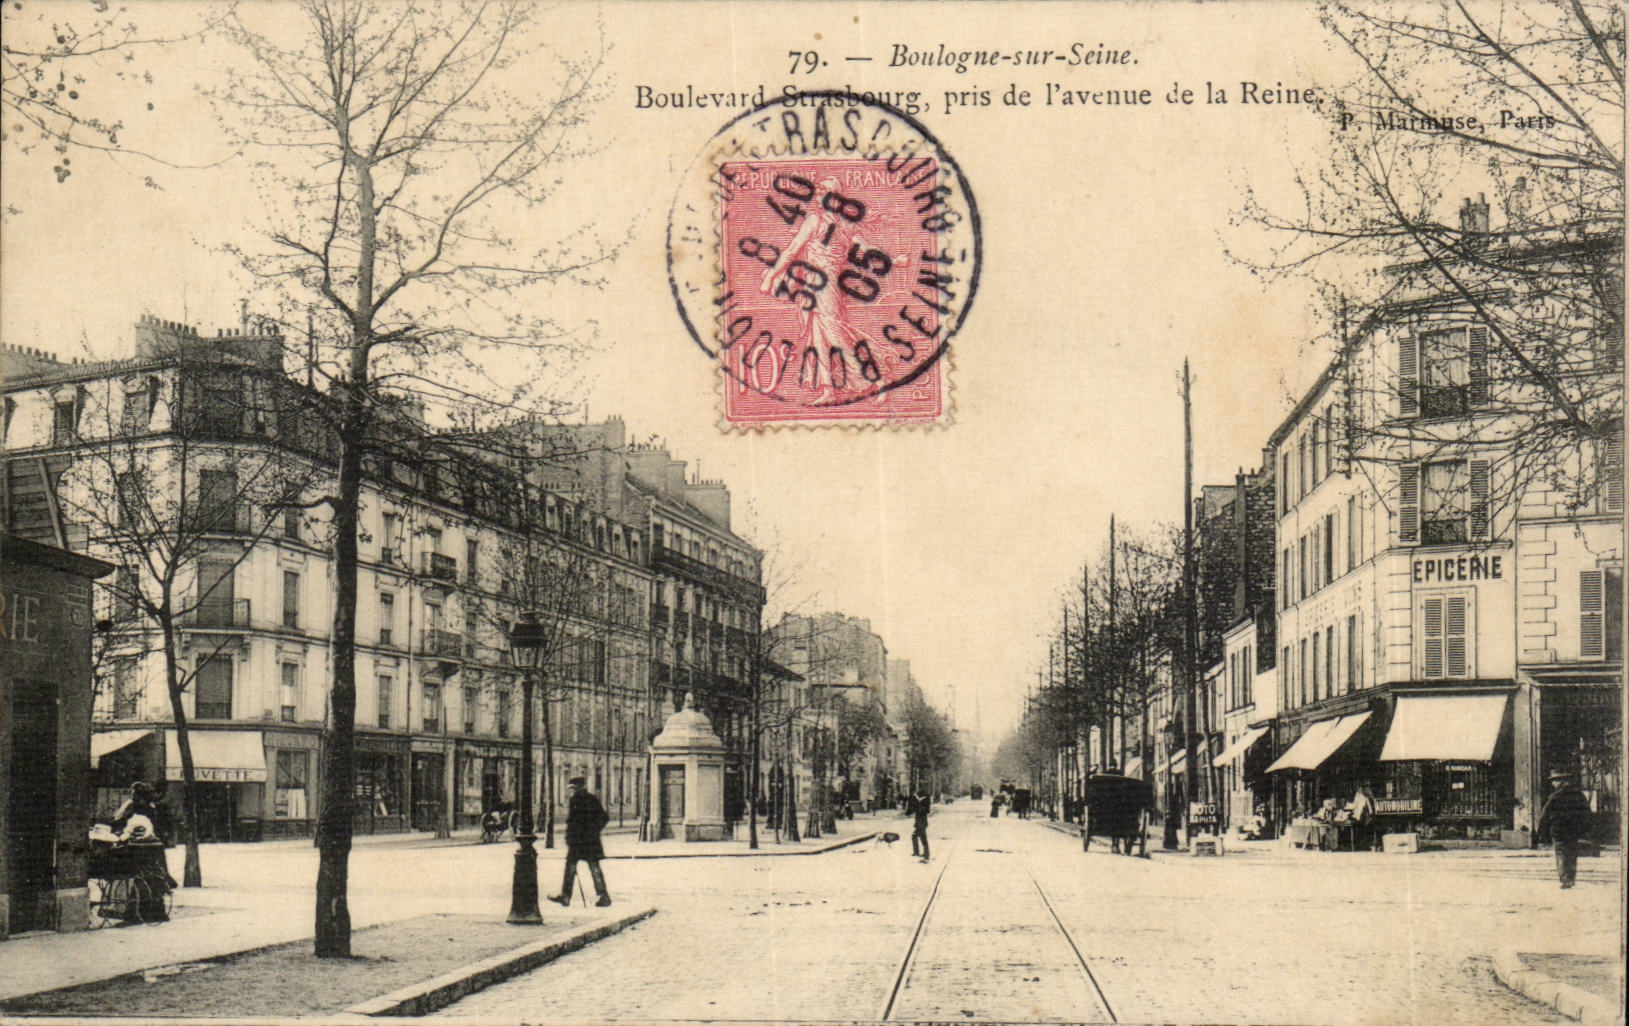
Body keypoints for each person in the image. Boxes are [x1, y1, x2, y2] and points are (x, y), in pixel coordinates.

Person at [551, 776, 611, 907]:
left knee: (591, 867)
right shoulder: (581, 799)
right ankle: (566, 896)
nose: (571, 790)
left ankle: (602, 896)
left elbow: (604, 817)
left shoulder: (588, 799)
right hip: (581, 841)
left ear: (580, 787)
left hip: (585, 841)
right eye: (570, 788)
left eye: (573, 788)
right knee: (574, 867)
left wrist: (592, 831)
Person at [1537, 769, 1593, 889]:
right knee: (1572, 853)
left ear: (1561, 781)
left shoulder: (1554, 796)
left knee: (1561, 853)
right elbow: (1587, 812)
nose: (1553, 784)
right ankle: (1571, 878)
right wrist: (1584, 828)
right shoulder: (1578, 794)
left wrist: (1541, 832)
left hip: (1559, 831)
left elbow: (1545, 815)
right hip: (1573, 830)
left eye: (1554, 781)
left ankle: (1565, 879)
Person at [910, 788, 931, 861]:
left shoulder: (924, 801)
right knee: (917, 837)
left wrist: (917, 808)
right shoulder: (923, 801)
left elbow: (926, 810)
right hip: (920, 823)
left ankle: (925, 854)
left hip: (921, 824)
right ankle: (922, 853)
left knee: (921, 838)